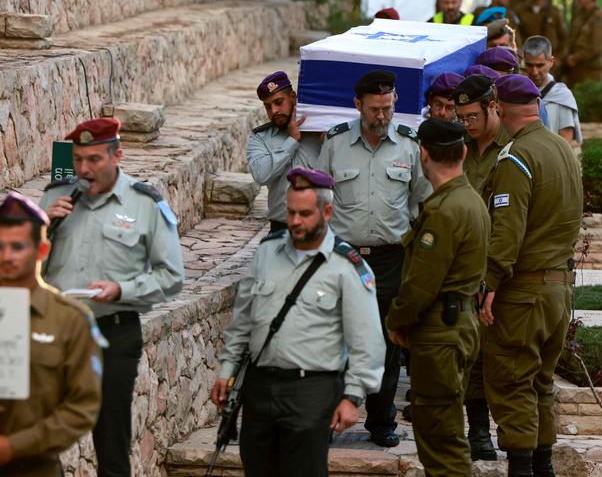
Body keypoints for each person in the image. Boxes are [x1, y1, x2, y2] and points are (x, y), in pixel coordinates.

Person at [211, 167, 385, 476]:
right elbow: (243, 321)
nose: (294, 221)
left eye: (304, 214)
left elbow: (367, 340)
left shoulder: (347, 267)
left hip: (312, 390)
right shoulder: (266, 252)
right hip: (260, 385)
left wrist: (352, 396)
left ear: (327, 211)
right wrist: (226, 370)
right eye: (290, 213)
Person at [40, 118, 185, 477]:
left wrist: (122, 290)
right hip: (52, 333)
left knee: (111, 443)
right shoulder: (55, 196)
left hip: (112, 333)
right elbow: (20, 267)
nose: (84, 170)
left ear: (117, 155)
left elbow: (171, 276)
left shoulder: (144, 204)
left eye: (93, 160)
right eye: (78, 160)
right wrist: (40, 225)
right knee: (35, 436)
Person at [317, 70, 431, 447]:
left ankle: (381, 423)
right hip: (343, 257)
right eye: (374, 110)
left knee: (386, 341)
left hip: (390, 259)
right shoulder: (335, 143)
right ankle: (329, 418)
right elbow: (319, 197)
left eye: (388, 108)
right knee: (335, 339)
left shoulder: (408, 144)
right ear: (358, 105)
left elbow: (420, 199)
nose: (382, 117)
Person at [480, 75, 582, 476]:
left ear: (499, 109)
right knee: (540, 383)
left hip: (524, 293)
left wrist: (488, 282)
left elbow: (507, 231)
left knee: (512, 381)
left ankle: (523, 468)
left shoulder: (516, 157)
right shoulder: (561, 147)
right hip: (558, 290)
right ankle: (543, 467)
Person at [385, 118, 490, 476]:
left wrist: (396, 320)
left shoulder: (444, 210)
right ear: (462, 151)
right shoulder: (470, 200)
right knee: (444, 433)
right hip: (458, 325)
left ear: (423, 153)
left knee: (440, 440)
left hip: (440, 333)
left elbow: (420, 285)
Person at [0, 193, 103, 476]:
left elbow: (82, 408)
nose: (7, 256)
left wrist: (14, 445)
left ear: (42, 250)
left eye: (17, 247)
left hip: (35, 468)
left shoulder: (69, 320)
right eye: (0, 246)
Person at [450, 75, 508, 461]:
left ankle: (512, 429)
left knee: (504, 352)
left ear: (493, 106)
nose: (467, 124)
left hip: (504, 267)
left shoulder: (513, 147)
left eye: (473, 116)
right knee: (470, 352)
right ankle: (479, 431)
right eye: (462, 117)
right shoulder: (460, 150)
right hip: (465, 267)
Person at [248, 71, 322, 232]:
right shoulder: (260, 138)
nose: (274, 110)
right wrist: (292, 140)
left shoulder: (320, 132)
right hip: (281, 226)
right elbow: (261, 174)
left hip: (319, 226)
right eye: (268, 106)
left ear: (293, 97)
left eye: (278, 102)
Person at [523, 36, 582, 144]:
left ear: (551, 62)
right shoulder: (517, 91)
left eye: (540, 65)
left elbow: (565, 141)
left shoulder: (562, 96)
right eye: (529, 65)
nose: (534, 72)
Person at [562, 0, 602, 88]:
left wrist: (576, 58)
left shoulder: (599, 17)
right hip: (574, 72)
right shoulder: (580, 16)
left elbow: (596, 47)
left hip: (590, 72)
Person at [514, 0, 567, 64]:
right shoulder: (519, 11)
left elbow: (564, 39)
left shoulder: (554, 12)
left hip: (549, 62)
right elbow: (515, 34)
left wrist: (557, 59)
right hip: (527, 62)